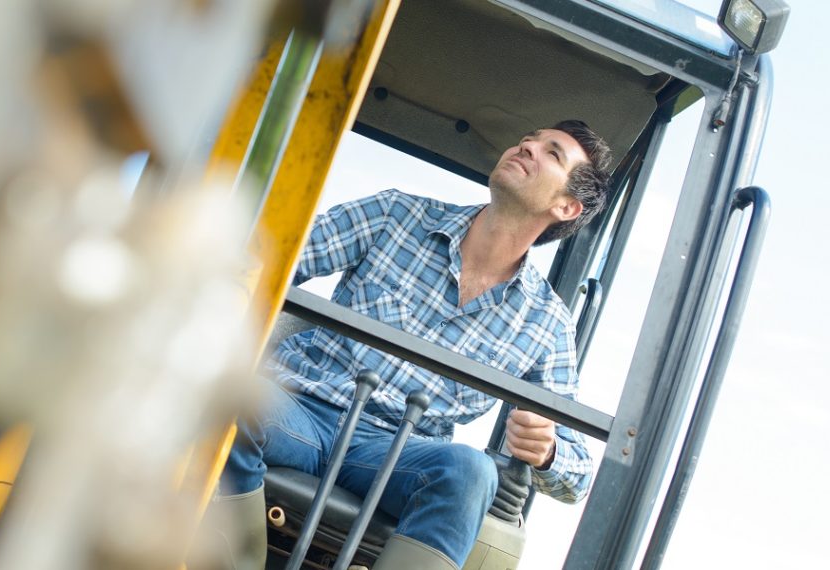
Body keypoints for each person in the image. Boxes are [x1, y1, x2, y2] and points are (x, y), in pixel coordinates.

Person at [218, 120, 612, 570]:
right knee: (228, 392)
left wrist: (548, 451)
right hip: (298, 410)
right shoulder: (394, 214)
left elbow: (577, 474)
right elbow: (267, 264)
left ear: (566, 206)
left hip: (394, 454)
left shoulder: (547, 323)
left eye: (552, 153)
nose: (527, 146)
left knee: (471, 472)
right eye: (528, 139)